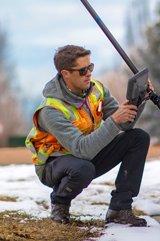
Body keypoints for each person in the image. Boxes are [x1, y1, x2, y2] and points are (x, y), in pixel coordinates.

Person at [26, 45, 151, 226]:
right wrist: (114, 121)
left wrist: (140, 99)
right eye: (83, 70)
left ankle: (119, 208)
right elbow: (81, 149)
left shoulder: (97, 90)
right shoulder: (51, 110)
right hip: (54, 164)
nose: (89, 74)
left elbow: (125, 124)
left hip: (85, 156)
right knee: (82, 169)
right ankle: (60, 202)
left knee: (138, 138)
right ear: (66, 74)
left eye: (90, 67)